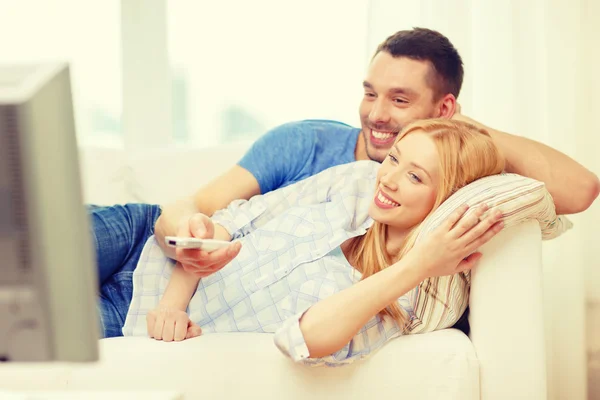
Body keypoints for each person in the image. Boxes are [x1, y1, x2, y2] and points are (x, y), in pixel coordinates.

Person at [90, 27, 599, 339]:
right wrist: (188, 243)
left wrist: (451, 133)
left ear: (443, 109)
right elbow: (194, 209)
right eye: (369, 93)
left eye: (400, 100)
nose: (376, 115)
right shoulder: (306, 145)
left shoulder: (435, 186)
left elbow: (579, 190)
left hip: (152, 308)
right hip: (139, 239)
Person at [100, 119, 506, 366]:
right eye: (395, 159)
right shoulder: (357, 180)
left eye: (415, 176)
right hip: (139, 236)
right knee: (35, 235)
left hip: (125, 314)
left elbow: (305, 339)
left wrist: (417, 265)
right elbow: (232, 221)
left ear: (446, 197)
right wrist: (171, 304)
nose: (390, 178)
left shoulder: (412, 293)